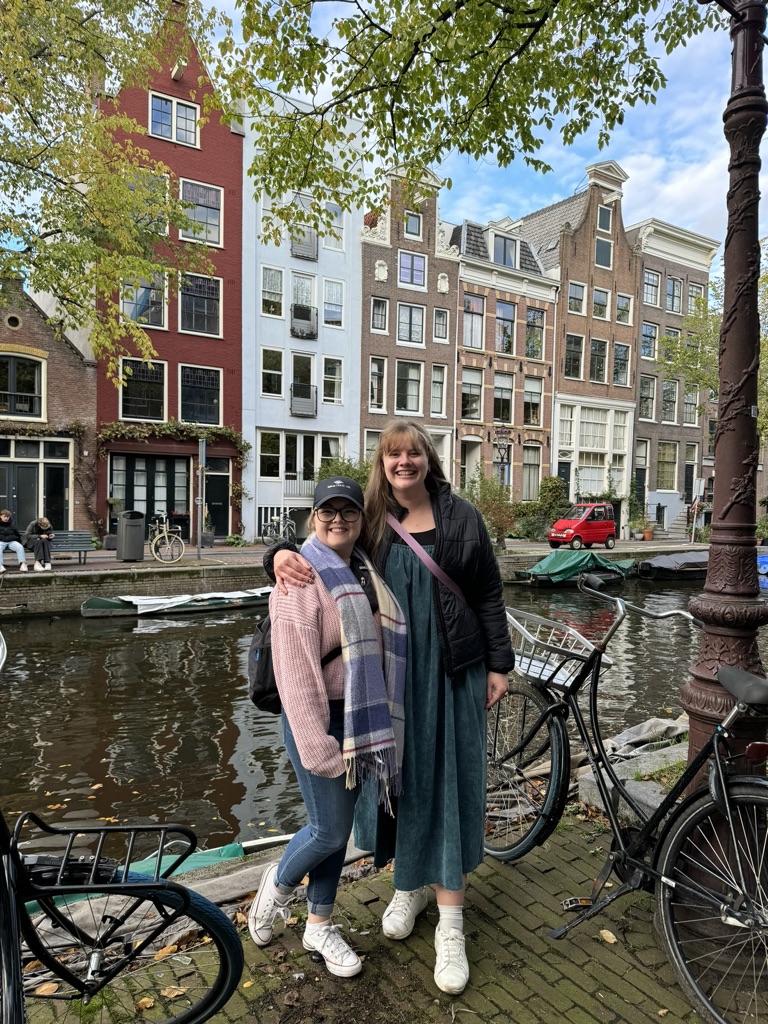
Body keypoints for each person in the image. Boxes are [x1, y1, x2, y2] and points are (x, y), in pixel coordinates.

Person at [267, 421, 513, 996]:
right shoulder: (371, 521)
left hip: (453, 671)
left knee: (448, 781)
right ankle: (410, 883)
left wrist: (498, 665)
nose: (404, 462)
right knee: (402, 785)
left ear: (428, 459)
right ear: (382, 464)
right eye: (393, 454)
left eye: (414, 453)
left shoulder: (463, 518)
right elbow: (317, 554)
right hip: (391, 680)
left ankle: (450, 922)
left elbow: (488, 593)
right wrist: (276, 556)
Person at [248, 477, 406, 979]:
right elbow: (295, 672)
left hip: (360, 715)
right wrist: (318, 744)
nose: (338, 520)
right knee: (328, 828)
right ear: (313, 517)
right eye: (327, 511)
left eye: (349, 512)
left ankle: (318, 923)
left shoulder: (364, 565)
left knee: (337, 835)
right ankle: (277, 883)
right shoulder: (297, 578)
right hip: (317, 717)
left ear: (362, 519)